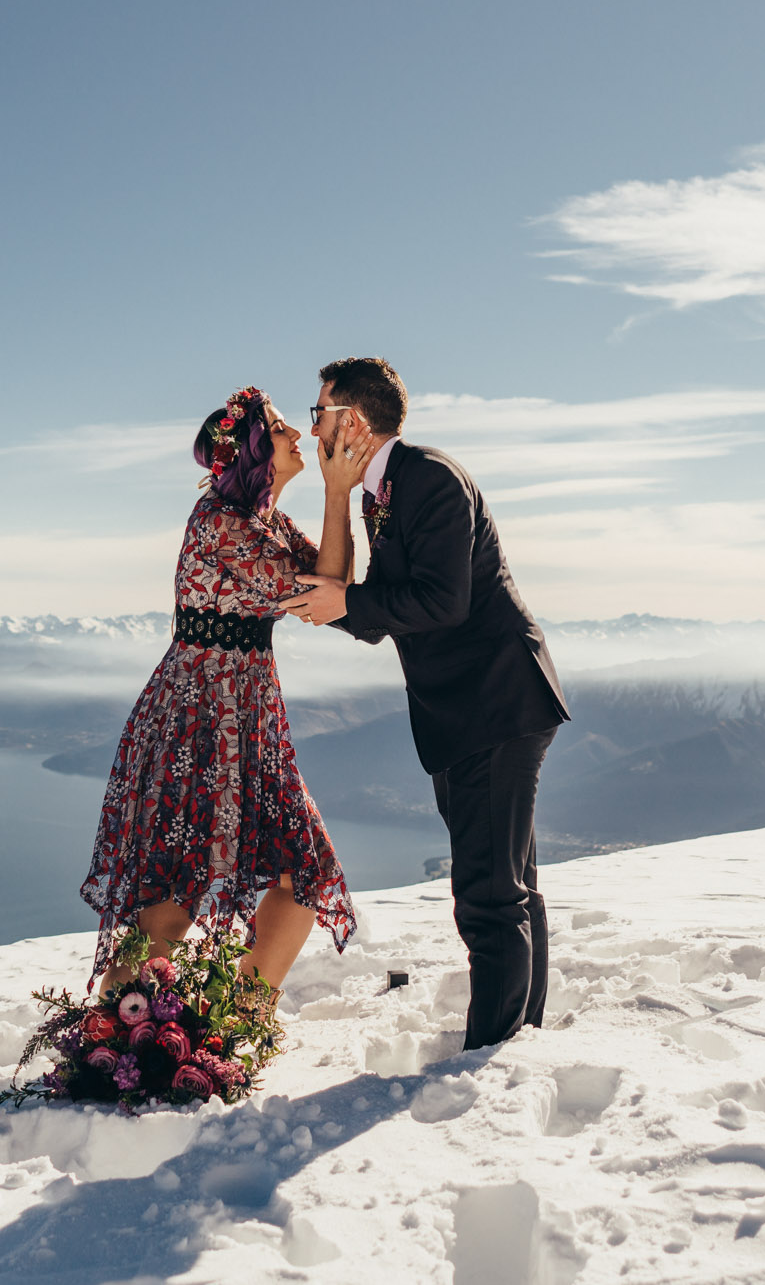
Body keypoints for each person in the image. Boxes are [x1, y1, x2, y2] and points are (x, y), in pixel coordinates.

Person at [280, 357, 571, 1050]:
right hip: (476, 709)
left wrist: (345, 601)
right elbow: (383, 613)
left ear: (353, 422)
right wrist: (336, 598)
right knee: (509, 884)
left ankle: (491, 1054)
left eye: (319, 413)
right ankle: (517, 1041)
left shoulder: (431, 479)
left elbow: (443, 601)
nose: (311, 429)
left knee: (489, 896)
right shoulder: (384, 491)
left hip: (494, 704)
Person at [81, 386, 375, 994]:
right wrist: (337, 491)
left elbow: (334, 589)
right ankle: (121, 1028)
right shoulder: (221, 523)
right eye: (281, 428)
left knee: (304, 869)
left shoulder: (265, 523)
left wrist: (339, 493)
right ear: (253, 452)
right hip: (199, 722)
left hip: (247, 721)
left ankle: (239, 1018)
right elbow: (318, 592)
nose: (297, 435)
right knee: (173, 902)